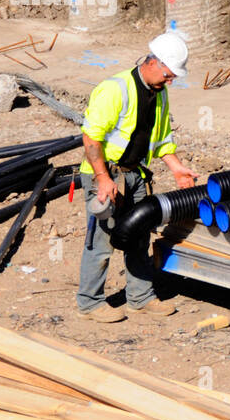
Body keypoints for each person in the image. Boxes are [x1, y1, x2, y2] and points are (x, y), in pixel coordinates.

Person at [77, 32, 199, 322]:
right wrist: (103, 179)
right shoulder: (115, 89)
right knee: (102, 240)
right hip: (107, 177)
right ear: (153, 62)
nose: (170, 81)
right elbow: (91, 138)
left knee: (138, 236)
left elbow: (161, 140)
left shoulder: (159, 93)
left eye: (173, 78)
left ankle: (140, 297)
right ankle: (90, 304)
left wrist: (176, 167)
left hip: (135, 176)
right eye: (168, 75)